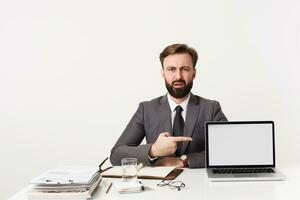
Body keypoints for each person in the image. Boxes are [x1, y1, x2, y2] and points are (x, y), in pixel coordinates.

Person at [110, 43, 227, 168]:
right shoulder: (146, 109)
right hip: (159, 185)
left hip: (201, 184)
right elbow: (116, 154)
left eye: (185, 69)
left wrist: (184, 161)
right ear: (163, 73)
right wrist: (153, 150)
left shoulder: (211, 108)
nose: (178, 76)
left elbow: (228, 149)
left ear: (194, 73)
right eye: (171, 69)